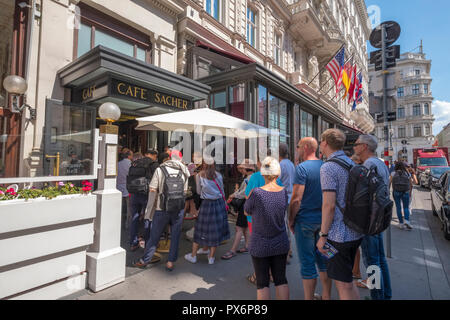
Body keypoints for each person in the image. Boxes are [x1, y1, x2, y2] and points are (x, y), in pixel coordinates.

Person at [316, 129, 362, 300]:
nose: (320, 144)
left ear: (325, 143)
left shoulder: (328, 167)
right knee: (346, 281)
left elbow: (328, 205)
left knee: (343, 285)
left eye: (321, 141)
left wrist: (323, 236)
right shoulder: (352, 164)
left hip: (337, 236)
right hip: (355, 231)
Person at [289, 137, 331, 300]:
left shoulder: (301, 168)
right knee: (325, 260)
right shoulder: (326, 166)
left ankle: (309, 298)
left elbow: (296, 199)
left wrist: (291, 219)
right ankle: (326, 296)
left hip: (305, 221)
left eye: (298, 146)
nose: (297, 149)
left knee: (307, 263)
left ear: (306, 148)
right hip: (325, 223)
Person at [133, 151, 190, 271]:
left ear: (169, 158)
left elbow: (153, 190)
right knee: (175, 235)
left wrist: (149, 209)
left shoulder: (160, 170)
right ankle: (170, 262)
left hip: (162, 208)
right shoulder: (184, 171)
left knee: (155, 236)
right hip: (178, 209)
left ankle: (145, 260)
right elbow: (184, 192)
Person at [244, 157, 290, 300]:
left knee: (262, 283)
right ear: (277, 174)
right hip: (280, 241)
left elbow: (246, 211)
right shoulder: (283, 191)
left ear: (262, 173)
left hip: (260, 243)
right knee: (281, 280)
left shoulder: (257, 193)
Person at [353, 134, 392, 300]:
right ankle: (385, 295)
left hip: (369, 220)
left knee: (372, 263)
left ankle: (377, 296)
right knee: (380, 260)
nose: (354, 147)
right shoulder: (379, 163)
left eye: (356, 144)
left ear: (364, 147)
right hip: (378, 217)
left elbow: (364, 195)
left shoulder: (368, 164)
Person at [184, 159, 230, 265]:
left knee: (200, 229)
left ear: (204, 164)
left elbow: (199, 192)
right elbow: (222, 191)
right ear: (213, 164)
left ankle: (193, 256)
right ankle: (210, 257)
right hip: (218, 204)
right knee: (215, 229)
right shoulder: (218, 175)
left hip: (207, 204)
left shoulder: (199, 175)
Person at [221, 159, 254, 260]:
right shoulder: (252, 177)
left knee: (239, 228)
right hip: (250, 205)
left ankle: (233, 250)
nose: (241, 170)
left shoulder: (249, 178)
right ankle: (248, 246)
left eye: (243, 168)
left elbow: (244, 193)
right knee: (245, 227)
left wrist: (234, 194)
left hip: (245, 205)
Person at [128, 149, 160, 252]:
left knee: (135, 218)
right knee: (148, 218)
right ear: (154, 155)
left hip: (134, 193)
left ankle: (133, 242)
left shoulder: (135, 162)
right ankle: (147, 243)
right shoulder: (154, 164)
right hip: (147, 194)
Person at [391, 161, 414, 230]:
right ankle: (407, 221)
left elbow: (389, 182)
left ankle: (401, 223)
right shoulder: (407, 173)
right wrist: (410, 191)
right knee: (406, 207)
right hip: (405, 191)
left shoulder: (393, 173)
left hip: (396, 192)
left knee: (398, 207)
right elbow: (411, 184)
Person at [117, 149, 133, 229]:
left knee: (118, 207)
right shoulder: (131, 164)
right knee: (129, 208)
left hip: (118, 187)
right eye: (132, 155)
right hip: (127, 187)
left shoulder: (118, 164)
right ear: (129, 156)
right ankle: (127, 224)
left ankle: (118, 222)